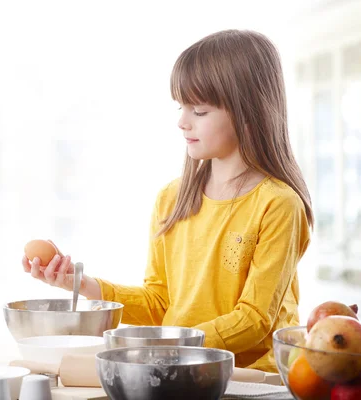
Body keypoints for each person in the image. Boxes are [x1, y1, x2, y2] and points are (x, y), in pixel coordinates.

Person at [22, 29, 313, 372]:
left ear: (248, 111)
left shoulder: (278, 204)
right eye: (181, 107)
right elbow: (158, 302)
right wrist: (82, 284)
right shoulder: (171, 199)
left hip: (247, 380)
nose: (182, 121)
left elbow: (254, 319)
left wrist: (168, 344)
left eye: (199, 111)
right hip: (177, 368)